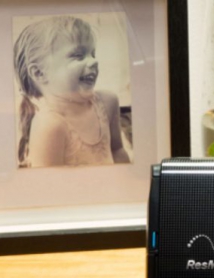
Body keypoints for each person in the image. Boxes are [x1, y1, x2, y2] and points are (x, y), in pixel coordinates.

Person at [13, 15, 130, 168]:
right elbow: (48, 186)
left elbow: (117, 151)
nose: (94, 61)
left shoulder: (108, 102)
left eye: (92, 54)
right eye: (78, 56)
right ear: (39, 73)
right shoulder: (49, 125)